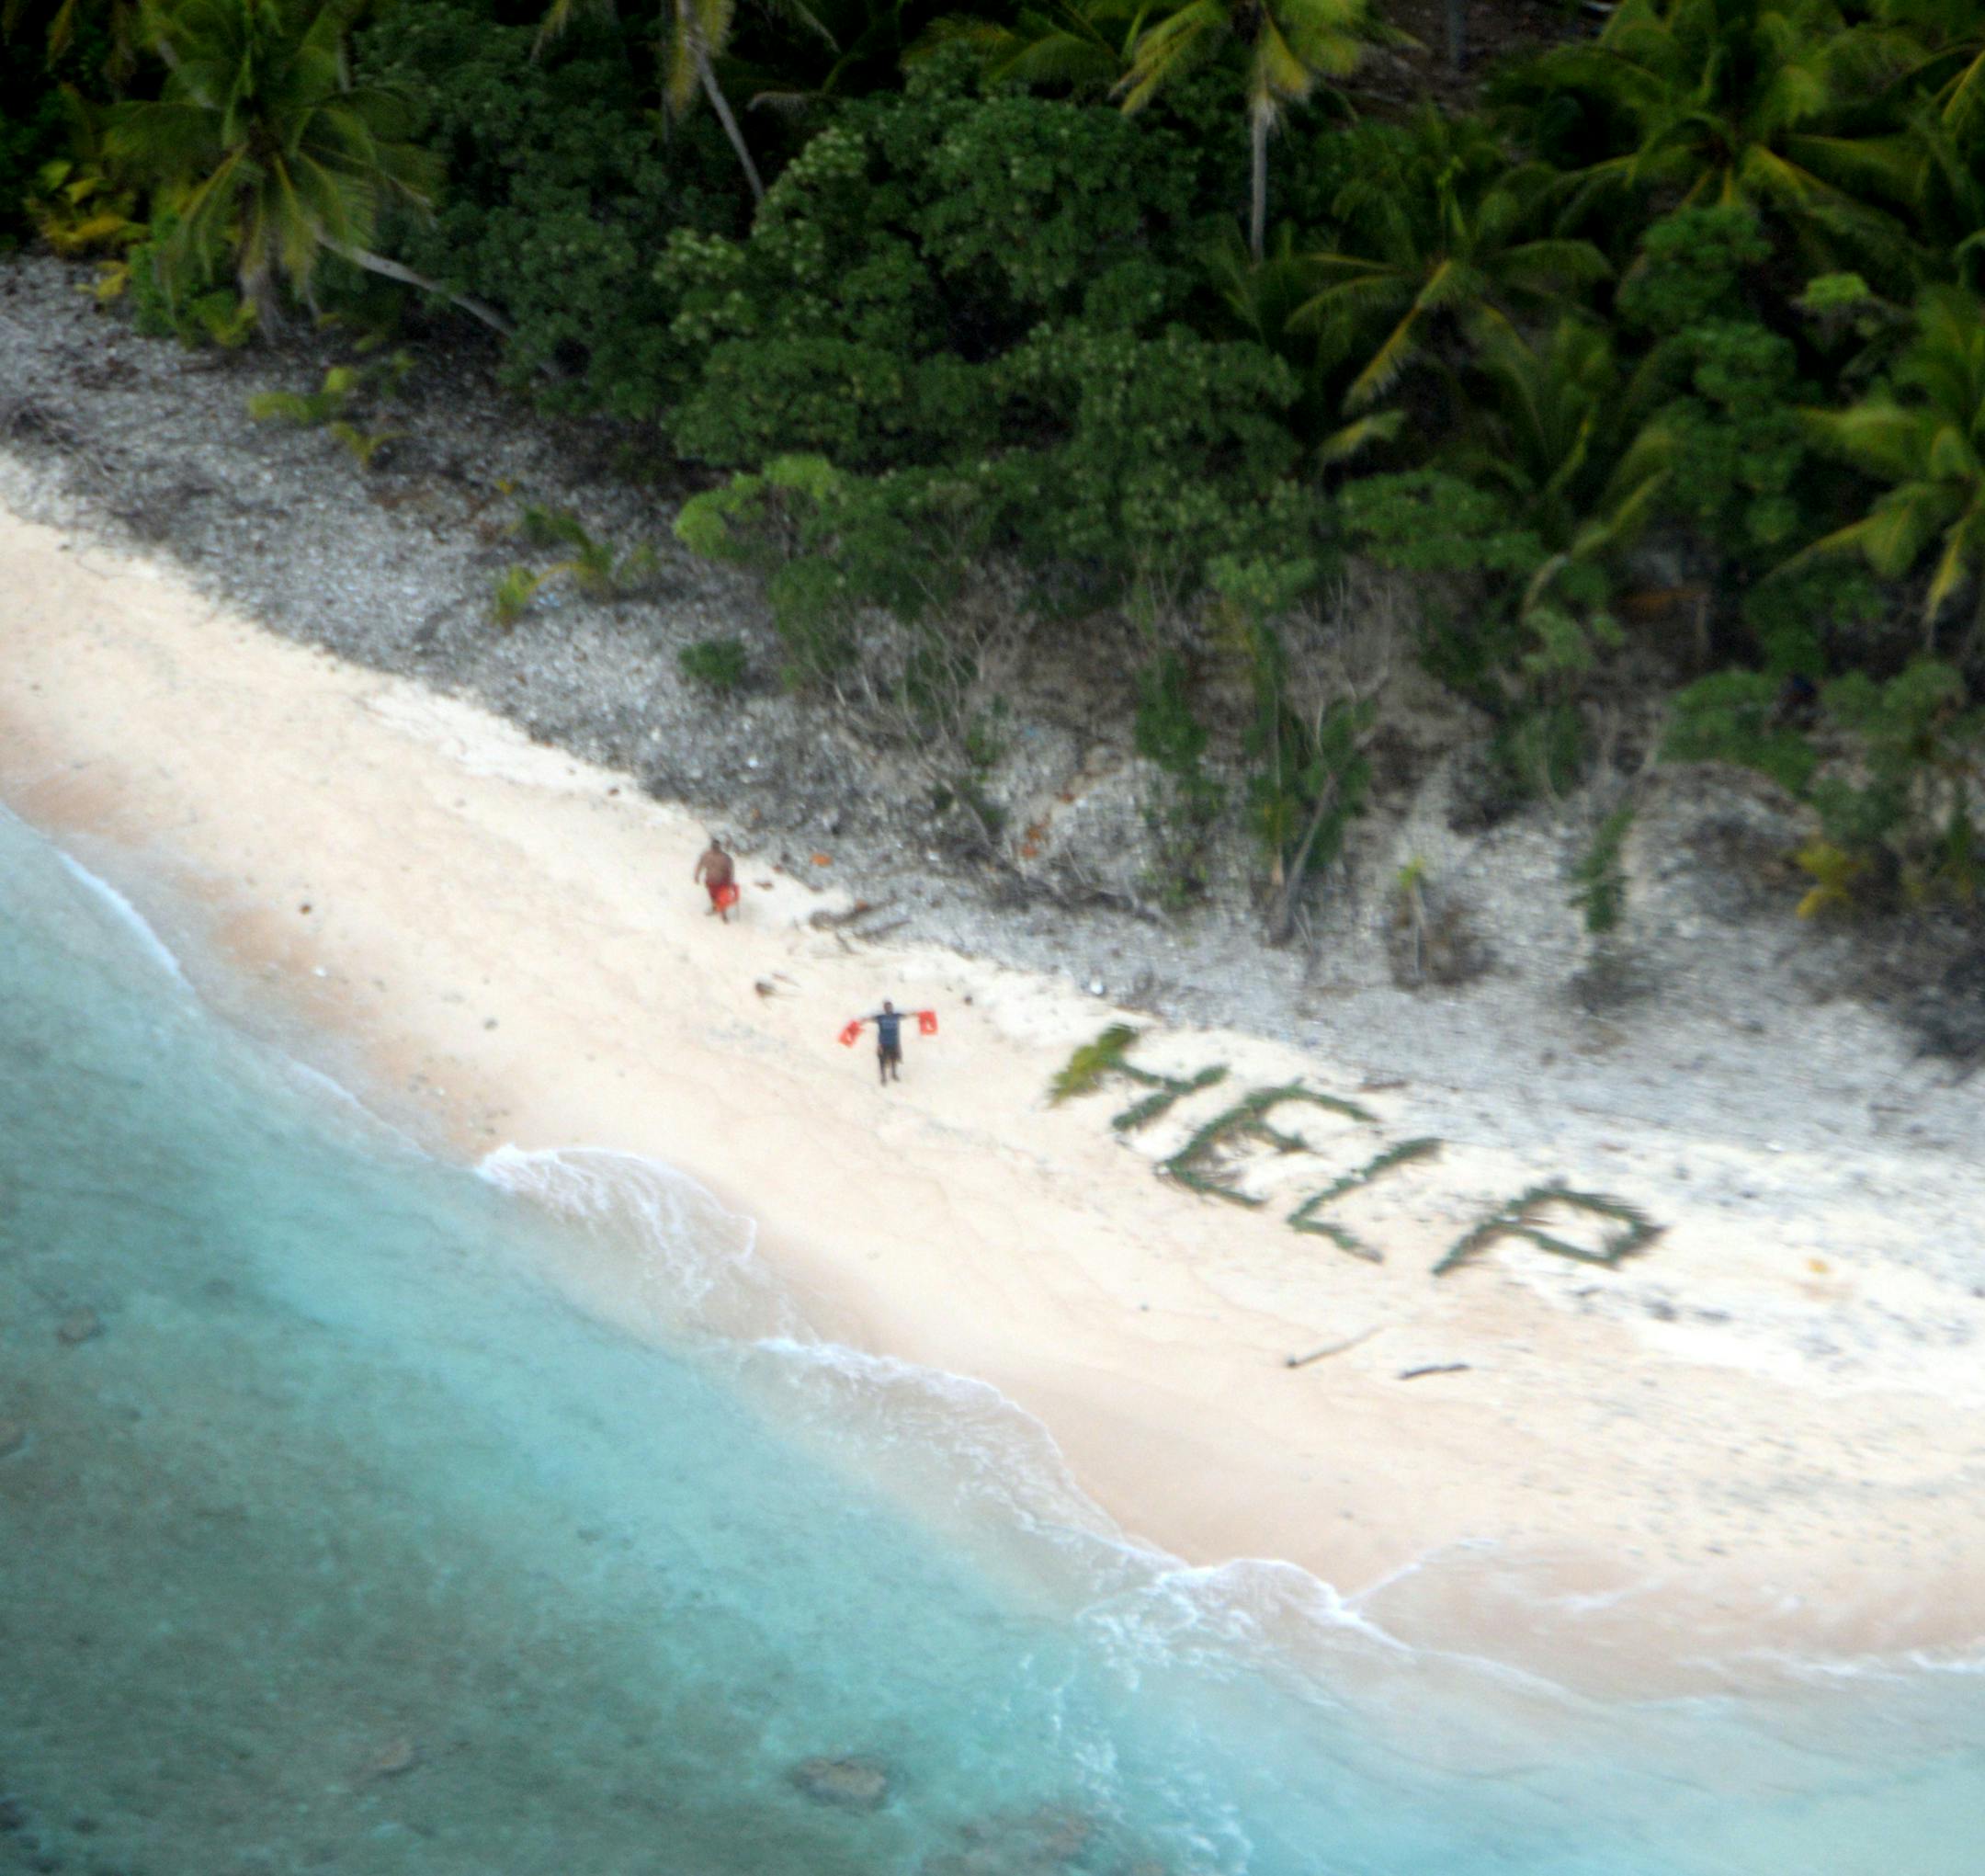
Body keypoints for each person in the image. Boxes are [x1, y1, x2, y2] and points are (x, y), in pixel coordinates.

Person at [857, 1000, 907, 1086]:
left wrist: (921, 1014)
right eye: (887, 1007)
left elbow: (908, 1015)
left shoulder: (896, 1016)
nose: (889, 1008)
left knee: (894, 1059)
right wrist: (863, 1020)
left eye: (890, 1007)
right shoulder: (881, 1017)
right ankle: (883, 1077)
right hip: (882, 1043)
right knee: (882, 1061)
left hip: (894, 1042)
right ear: (884, 1008)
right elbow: (870, 1019)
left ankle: (894, 1074)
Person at [692, 836, 737, 923]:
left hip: (722, 881)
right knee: (713, 896)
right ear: (711, 846)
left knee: (722, 898)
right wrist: (697, 875)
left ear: (719, 847)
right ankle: (714, 907)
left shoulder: (725, 858)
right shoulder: (706, 855)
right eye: (714, 846)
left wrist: (731, 881)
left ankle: (724, 914)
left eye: (717, 846)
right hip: (710, 881)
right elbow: (700, 865)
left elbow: (730, 869)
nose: (715, 847)